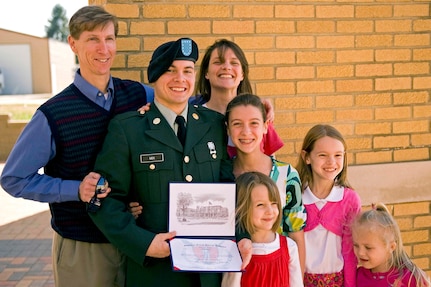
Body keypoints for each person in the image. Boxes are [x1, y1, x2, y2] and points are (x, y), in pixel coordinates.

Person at [0, 6, 154, 287]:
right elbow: (13, 179)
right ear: (73, 44)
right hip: (83, 248)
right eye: (93, 39)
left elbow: (185, 103)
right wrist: (75, 189)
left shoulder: (139, 94)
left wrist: (250, 108)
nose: (103, 48)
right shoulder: (53, 114)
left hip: (135, 241)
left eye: (109, 38)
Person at [88, 37, 232, 287]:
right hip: (155, 273)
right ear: (154, 77)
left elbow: (231, 188)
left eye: (187, 71)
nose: (180, 79)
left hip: (210, 273)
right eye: (170, 71)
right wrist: (144, 243)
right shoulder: (127, 130)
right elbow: (102, 200)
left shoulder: (214, 125)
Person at [225, 93, 306, 273]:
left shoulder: (287, 175)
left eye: (254, 123)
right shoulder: (220, 174)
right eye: (237, 124)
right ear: (228, 129)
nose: (246, 132)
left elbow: (296, 234)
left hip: (276, 273)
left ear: (265, 126)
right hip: (234, 273)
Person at [296, 124, 361, 287]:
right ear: (307, 157)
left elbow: (350, 252)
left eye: (338, 155)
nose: (331, 162)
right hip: (300, 281)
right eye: (323, 155)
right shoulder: (295, 198)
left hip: (338, 282)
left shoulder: (349, 199)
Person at [194, 39, 283, 158]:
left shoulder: (259, 114)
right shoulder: (192, 117)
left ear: (242, 74)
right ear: (206, 73)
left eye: (234, 63)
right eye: (218, 62)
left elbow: (272, 167)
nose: (226, 67)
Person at [226, 171, 303, 287]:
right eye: (260, 205)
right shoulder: (234, 249)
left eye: (273, 203)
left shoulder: (289, 247)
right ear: (242, 208)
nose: (270, 211)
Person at [352, 203, 431, 287]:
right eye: (356, 245)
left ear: (391, 247)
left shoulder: (410, 279)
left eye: (368, 247)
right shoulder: (356, 276)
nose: (360, 252)